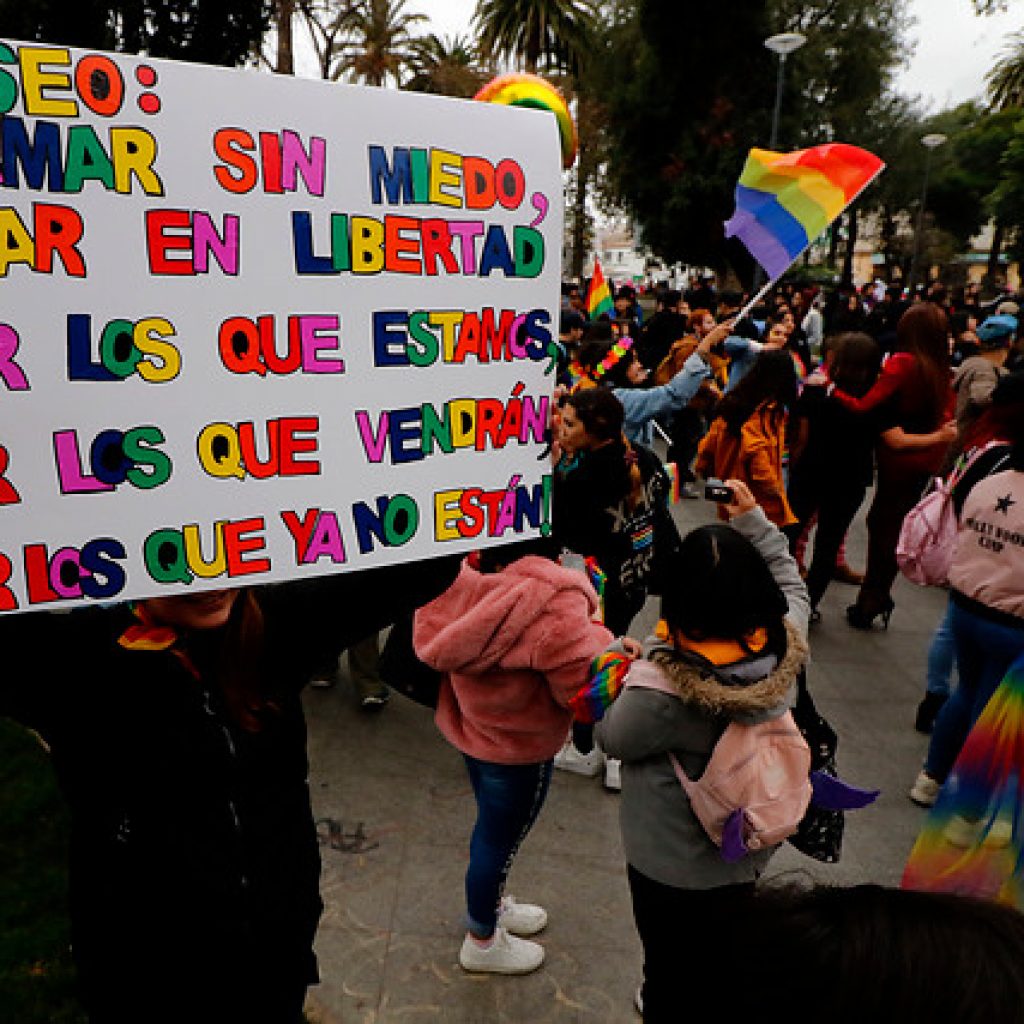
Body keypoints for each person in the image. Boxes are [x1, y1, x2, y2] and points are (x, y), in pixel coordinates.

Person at [0, 558, 459, 1023]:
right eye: (172, 556)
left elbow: (416, 566)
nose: (210, 581)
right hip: (147, 977)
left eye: (217, 548)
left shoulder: (274, 627)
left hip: (275, 953)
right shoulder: (74, 664)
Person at [596, 478, 810, 1023]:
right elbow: (793, 586)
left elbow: (611, 737)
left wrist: (633, 661)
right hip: (750, 846)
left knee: (668, 964)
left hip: (670, 867)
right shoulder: (785, 645)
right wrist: (754, 522)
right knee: (719, 946)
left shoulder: (661, 694)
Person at [412, 537, 614, 975]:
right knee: (496, 843)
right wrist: (599, 633)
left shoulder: (457, 576)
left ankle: (492, 906)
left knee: (490, 833)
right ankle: (481, 940)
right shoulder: (554, 602)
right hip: (521, 748)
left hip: (475, 732)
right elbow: (577, 691)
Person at [551, 386, 679, 787]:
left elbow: (563, 530)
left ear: (596, 431)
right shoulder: (642, 458)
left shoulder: (585, 476)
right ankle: (612, 757)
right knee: (616, 647)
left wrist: (556, 471)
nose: (561, 427)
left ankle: (589, 748)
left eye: (570, 423)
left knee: (595, 661)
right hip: (633, 578)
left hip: (595, 589)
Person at [909, 376, 1024, 808]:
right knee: (991, 709)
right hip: (1011, 617)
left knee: (965, 691)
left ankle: (931, 777)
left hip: (966, 601)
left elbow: (959, 510)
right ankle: (968, 801)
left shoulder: (987, 463)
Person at [832, 302, 955, 630]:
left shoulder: (903, 363)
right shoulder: (940, 368)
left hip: (897, 456)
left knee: (883, 525)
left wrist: (831, 391)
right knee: (894, 525)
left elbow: (864, 405)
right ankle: (877, 596)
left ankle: (872, 598)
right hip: (926, 456)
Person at [694, 349, 798, 529]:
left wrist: (703, 465)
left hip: (730, 488)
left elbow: (710, 442)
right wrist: (771, 486)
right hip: (756, 499)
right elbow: (756, 450)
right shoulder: (766, 411)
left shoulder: (734, 402)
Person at [953, 312, 1015, 432]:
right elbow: (982, 398)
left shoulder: (972, 363)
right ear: (1009, 342)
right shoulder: (983, 368)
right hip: (973, 443)